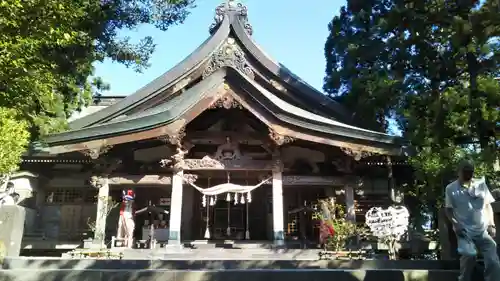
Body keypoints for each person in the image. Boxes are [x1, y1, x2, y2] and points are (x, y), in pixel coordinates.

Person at [445, 160, 500, 281]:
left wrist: (492, 224)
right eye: (465, 172)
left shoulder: (480, 185)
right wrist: (455, 224)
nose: (468, 174)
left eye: (470, 172)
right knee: (470, 256)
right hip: (464, 232)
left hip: (482, 230)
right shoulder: (451, 188)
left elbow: (488, 205)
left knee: (493, 259)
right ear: (458, 172)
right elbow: (448, 210)